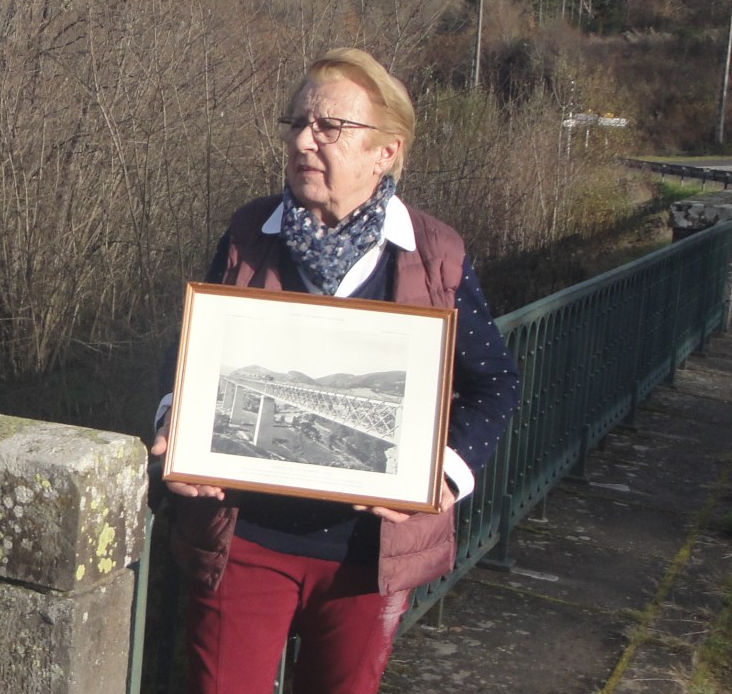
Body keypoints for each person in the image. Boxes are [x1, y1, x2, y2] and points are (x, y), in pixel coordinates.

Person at [150, 48, 519, 694]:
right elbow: (188, 358)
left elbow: (495, 384)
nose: (303, 141)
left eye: (330, 127)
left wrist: (444, 474)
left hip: (366, 560)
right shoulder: (248, 234)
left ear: (386, 151)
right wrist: (173, 426)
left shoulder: (434, 255)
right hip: (244, 543)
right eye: (297, 123)